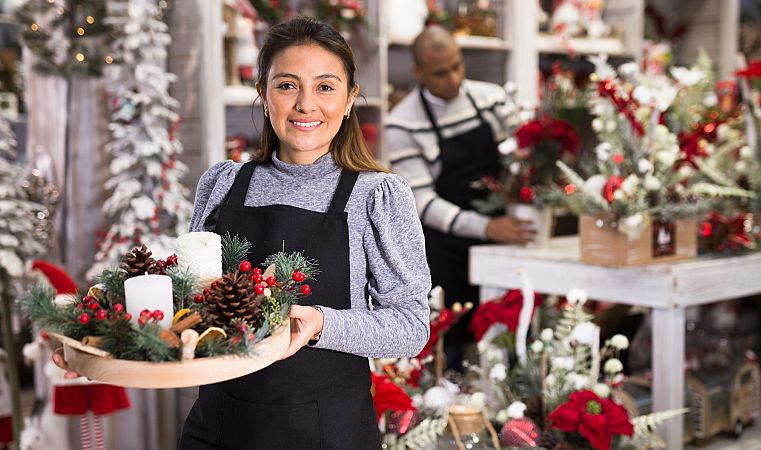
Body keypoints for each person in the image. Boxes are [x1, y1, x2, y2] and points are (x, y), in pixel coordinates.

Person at [56, 17, 431, 450]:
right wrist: (97, 342)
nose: (307, 104)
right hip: (217, 429)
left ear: (349, 100)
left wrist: (320, 324)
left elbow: (410, 326)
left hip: (324, 433)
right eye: (287, 85)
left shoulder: (376, 196)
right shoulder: (222, 184)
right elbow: (188, 305)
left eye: (326, 87)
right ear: (264, 95)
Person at [386, 26, 534, 370]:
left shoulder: (491, 98)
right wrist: (487, 228)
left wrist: (520, 180)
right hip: (447, 249)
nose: (453, 79)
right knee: (451, 346)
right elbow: (421, 201)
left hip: (502, 237)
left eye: (458, 66)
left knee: (510, 335)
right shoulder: (403, 123)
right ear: (418, 72)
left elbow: (519, 156)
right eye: (440, 72)